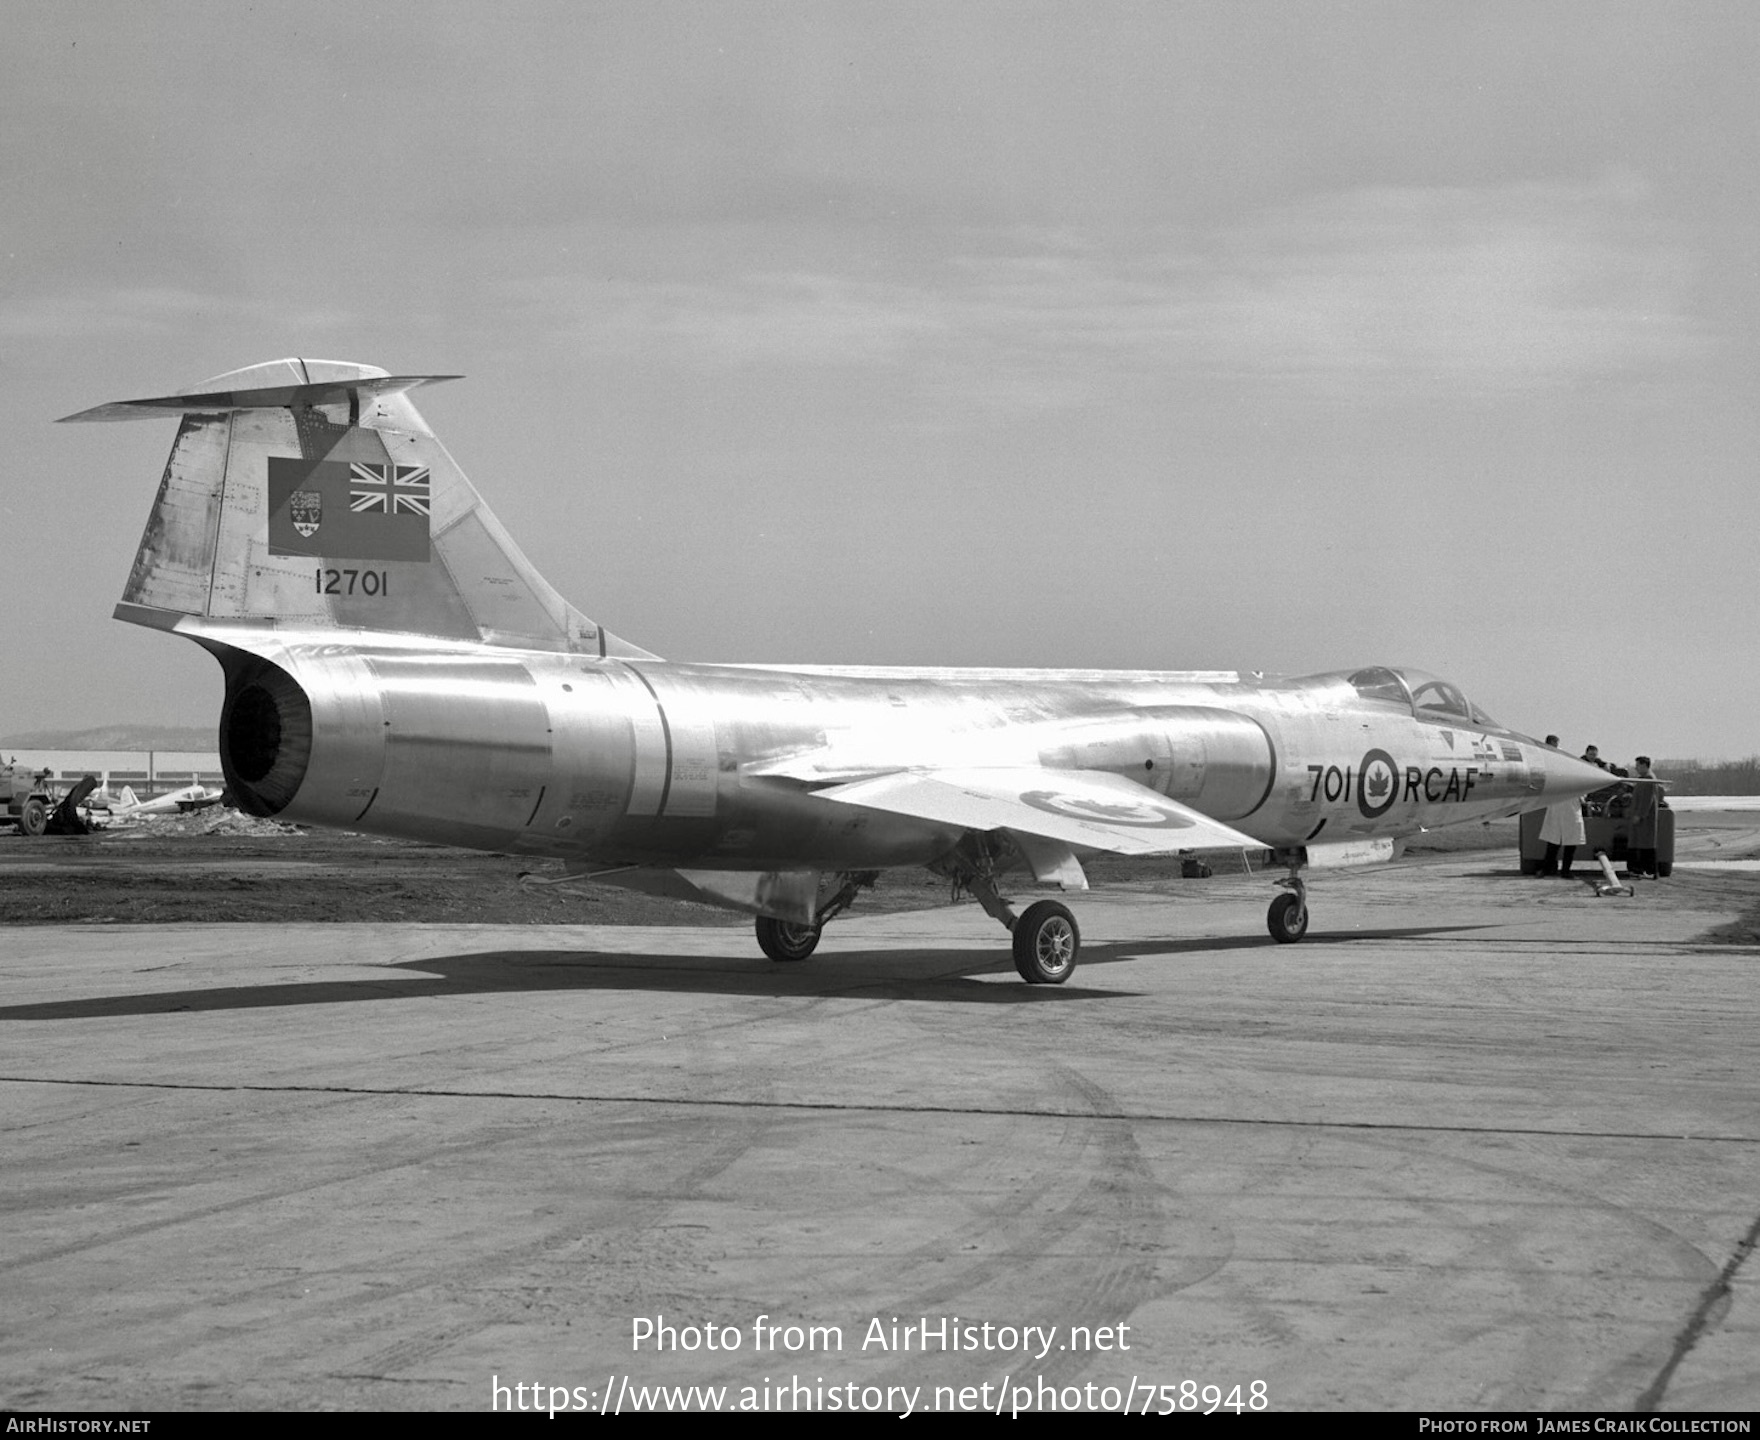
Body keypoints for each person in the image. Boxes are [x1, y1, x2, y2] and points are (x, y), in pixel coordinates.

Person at [1627, 756, 1667, 878]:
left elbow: (1647, 800)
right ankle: (1638, 869)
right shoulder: (1643, 779)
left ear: (1644, 765)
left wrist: (1639, 815)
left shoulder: (1649, 780)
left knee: (1646, 845)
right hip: (1640, 818)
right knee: (1639, 844)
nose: (1636, 768)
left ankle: (1649, 870)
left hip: (1645, 819)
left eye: (1638, 765)